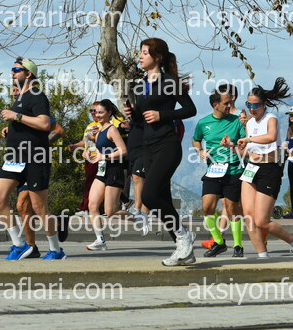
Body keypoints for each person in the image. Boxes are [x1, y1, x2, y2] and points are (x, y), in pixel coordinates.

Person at [124, 38, 197, 266]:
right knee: (162, 199)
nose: (140, 56)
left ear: (158, 57)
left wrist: (162, 115)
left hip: (167, 145)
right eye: (140, 52)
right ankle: (184, 251)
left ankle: (184, 235)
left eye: (145, 52)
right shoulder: (139, 86)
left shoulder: (169, 82)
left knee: (149, 196)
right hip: (148, 147)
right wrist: (133, 115)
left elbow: (190, 109)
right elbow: (141, 121)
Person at [0, 58, 65, 260]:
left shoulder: (37, 96)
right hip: (15, 158)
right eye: (12, 69)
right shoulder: (20, 97)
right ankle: (19, 245)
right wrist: (12, 129)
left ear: (28, 73)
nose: (12, 73)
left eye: (16, 69)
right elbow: (28, 124)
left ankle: (56, 250)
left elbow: (45, 124)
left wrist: (16, 117)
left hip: (35, 158)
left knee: (39, 207)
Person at [236, 77, 293, 258]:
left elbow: (271, 137)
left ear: (264, 104)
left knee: (262, 221)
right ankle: (262, 256)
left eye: (256, 105)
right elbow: (248, 152)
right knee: (248, 217)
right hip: (251, 168)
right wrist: (234, 145)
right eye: (249, 105)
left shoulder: (271, 118)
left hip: (269, 170)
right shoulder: (249, 123)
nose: (252, 109)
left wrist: (248, 139)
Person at [4, 86, 68, 258]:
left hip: (35, 160)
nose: (15, 92)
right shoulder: (18, 111)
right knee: (24, 207)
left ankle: (39, 243)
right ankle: (32, 246)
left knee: (25, 205)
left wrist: (39, 143)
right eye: (13, 90)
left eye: (17, 89)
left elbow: (59, 130)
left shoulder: (34, 110)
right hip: (19, 162)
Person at [193, 86, 246, 257]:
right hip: (213, 170)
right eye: (226, 103)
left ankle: (238, 245)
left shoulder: (237, 121)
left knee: (232, 209)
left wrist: (233, 144)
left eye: (230, 102)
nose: (229, 105)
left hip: (233, 169)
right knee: (207, 207)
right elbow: (196, 140)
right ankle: (219, 242)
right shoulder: (203, 123)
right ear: (215, 105)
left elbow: (245, 143)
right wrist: (200, 151)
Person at [85, 100, 131, 250]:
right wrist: (89, 154)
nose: (97, 115)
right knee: (92, 205)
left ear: (109, 113)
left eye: (101, 112)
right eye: (95, 112)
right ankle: (100, 240)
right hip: (102, 171)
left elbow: (123, 151)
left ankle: (136, 218)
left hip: (114, 171)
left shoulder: (112, 130)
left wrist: (104, 157)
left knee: (110, 212)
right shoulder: (99, 131)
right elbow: (99, 151)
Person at [67, 102, 101, 216]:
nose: (93, 113)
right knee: (92, 182)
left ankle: (86, 207)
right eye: (91, 110)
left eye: (95, 110)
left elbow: (105, 140)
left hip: (98, 158)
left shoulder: (104, 125)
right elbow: (84, 142)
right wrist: (75, 146)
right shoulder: (89, 125)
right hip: (88, 160)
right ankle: (123, 200)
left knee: (91, 183)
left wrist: (95, 137)